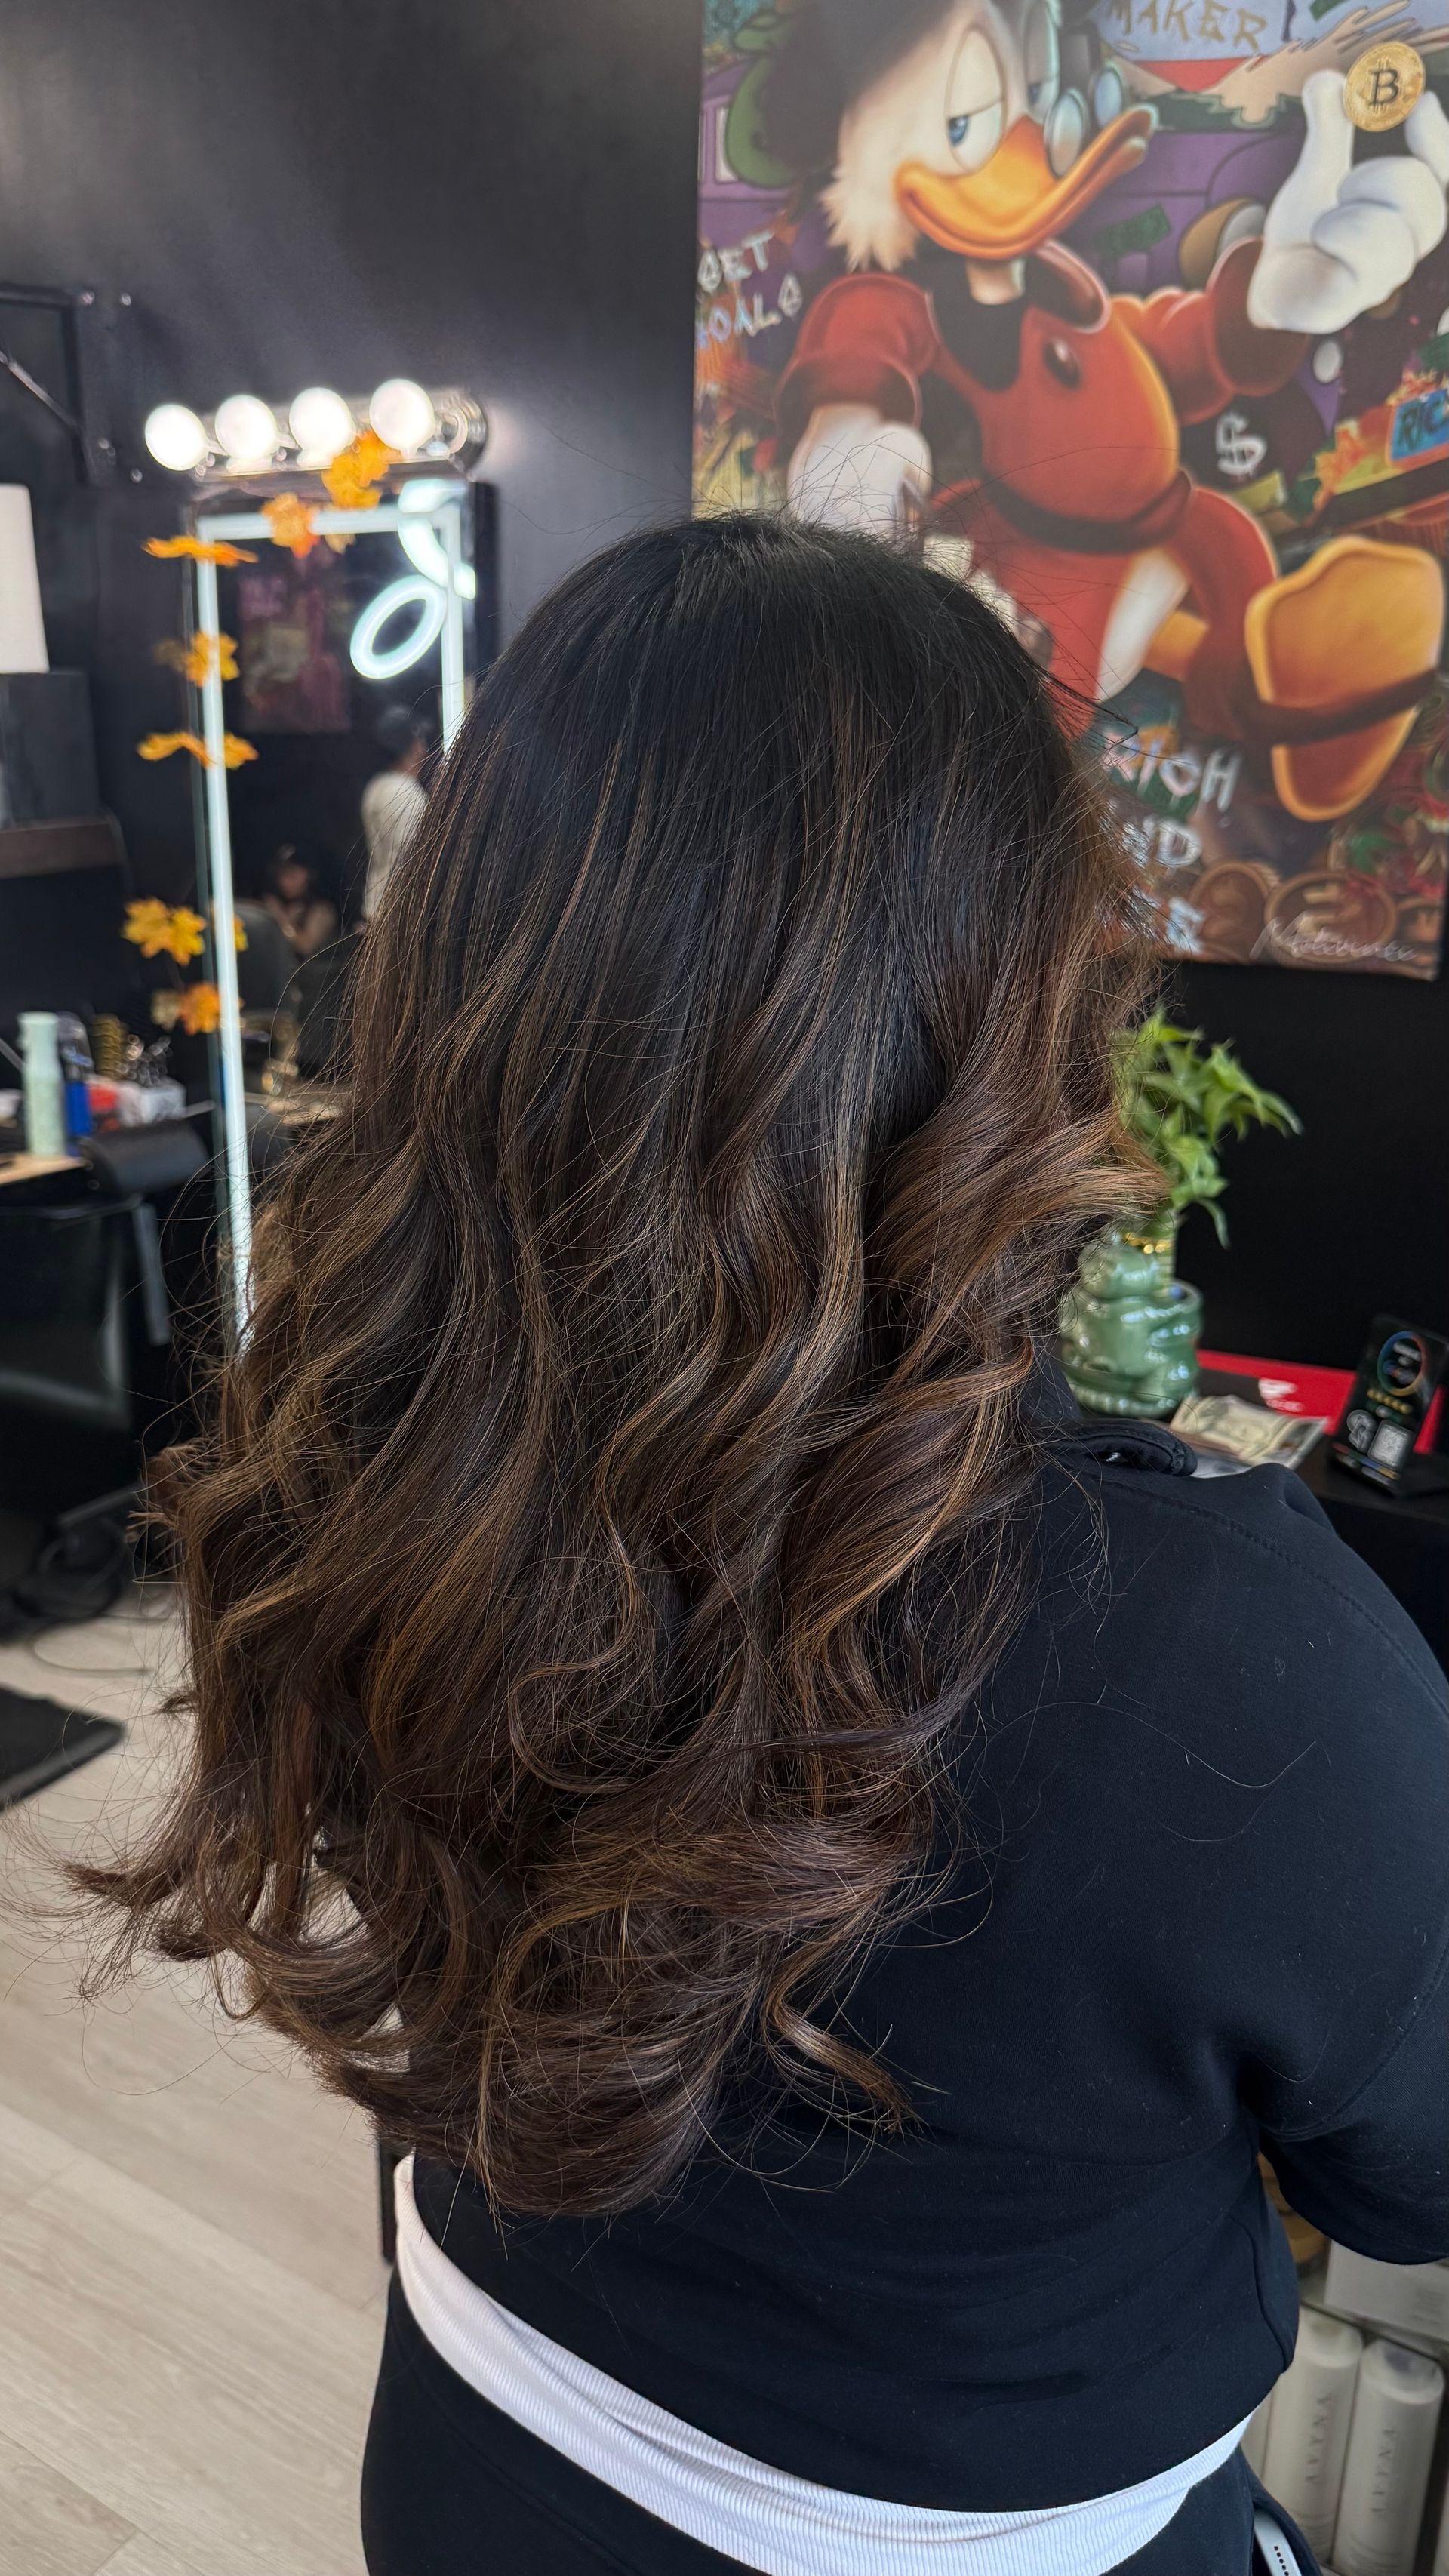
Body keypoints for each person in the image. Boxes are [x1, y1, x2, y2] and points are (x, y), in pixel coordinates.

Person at [78, 518, 1449, 2576]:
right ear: (1014, 1004)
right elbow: (1416, 2172)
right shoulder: (1246, 1663)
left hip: (472, 2463)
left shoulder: (365, 1453)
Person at [360, 704, 430, 919]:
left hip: (378, 903)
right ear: (415, 747)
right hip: (400, 911)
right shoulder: (404, 791)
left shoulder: (377, 785)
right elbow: (411, 858)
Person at [260, 845, 338, 962]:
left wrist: (282, 919)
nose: (286, 880)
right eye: (282, 873)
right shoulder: (273, 903)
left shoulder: (322, 910)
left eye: (293, 872)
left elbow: (307, 947)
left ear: (310, 875)